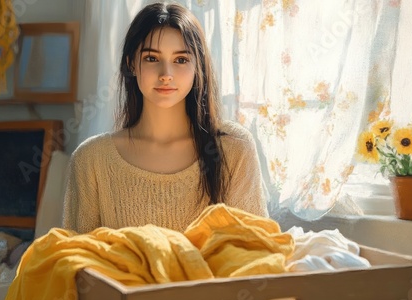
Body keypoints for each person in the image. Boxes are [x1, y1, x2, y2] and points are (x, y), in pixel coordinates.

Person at [62, 2, 268, 234]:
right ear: (131, 63)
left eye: (181, 60)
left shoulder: (234, 149)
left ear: (198, 66)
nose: (166, 75)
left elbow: (254, 254)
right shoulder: (91, 160)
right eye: (152, 58)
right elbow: (76, 261)